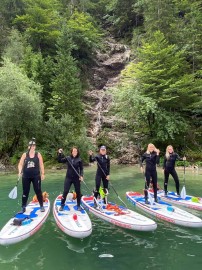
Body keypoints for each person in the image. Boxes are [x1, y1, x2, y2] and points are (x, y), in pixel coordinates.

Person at [18, 139, 45, 213]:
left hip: (36, 176)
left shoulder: (38, 154)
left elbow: (41, 164)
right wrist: (20, 171)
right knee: (25, 191)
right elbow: (20, 164)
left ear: (35, 147)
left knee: (38, 191)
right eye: (31, 146)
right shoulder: (24, 155)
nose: (32, 147)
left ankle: (41, 206)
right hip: (26, 176)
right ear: (28, 147)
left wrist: (43, 173)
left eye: (33, 146)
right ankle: (23, 207)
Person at [58, 147, 83, 211]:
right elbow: (60, 160)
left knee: (78, 192)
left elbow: (81, 169)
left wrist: (81, 176)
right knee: (65, 191)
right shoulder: (68, 158)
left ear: (77, 152)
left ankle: (78, 205)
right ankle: (62, 205)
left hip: (76, 178)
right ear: (71, 152)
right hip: (68, 178)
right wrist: (59, 154)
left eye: (76, 151)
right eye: (73, 151)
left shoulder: (79, 160)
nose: (74, 152)